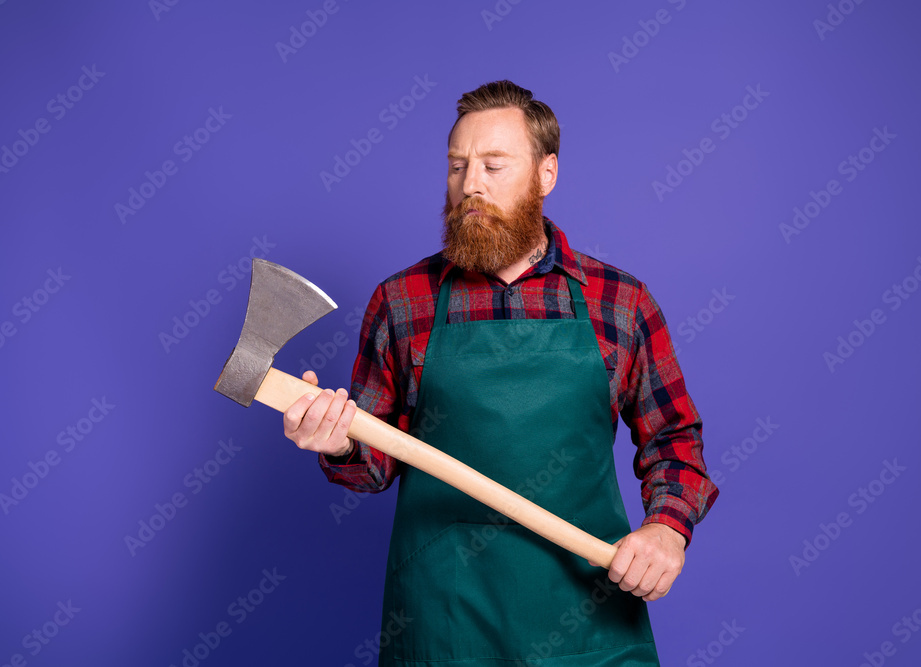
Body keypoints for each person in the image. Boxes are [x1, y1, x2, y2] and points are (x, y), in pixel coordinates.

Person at [283, 80, 718, 666]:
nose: (471, 185)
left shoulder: (619, 302)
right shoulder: (403, 301)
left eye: (493, 165)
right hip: (444, 624)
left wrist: (667, 528)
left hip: (589, 619)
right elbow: (373, 464)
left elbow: (674, 439)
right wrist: (337, 442)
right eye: (457, 166)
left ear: (546, 173)